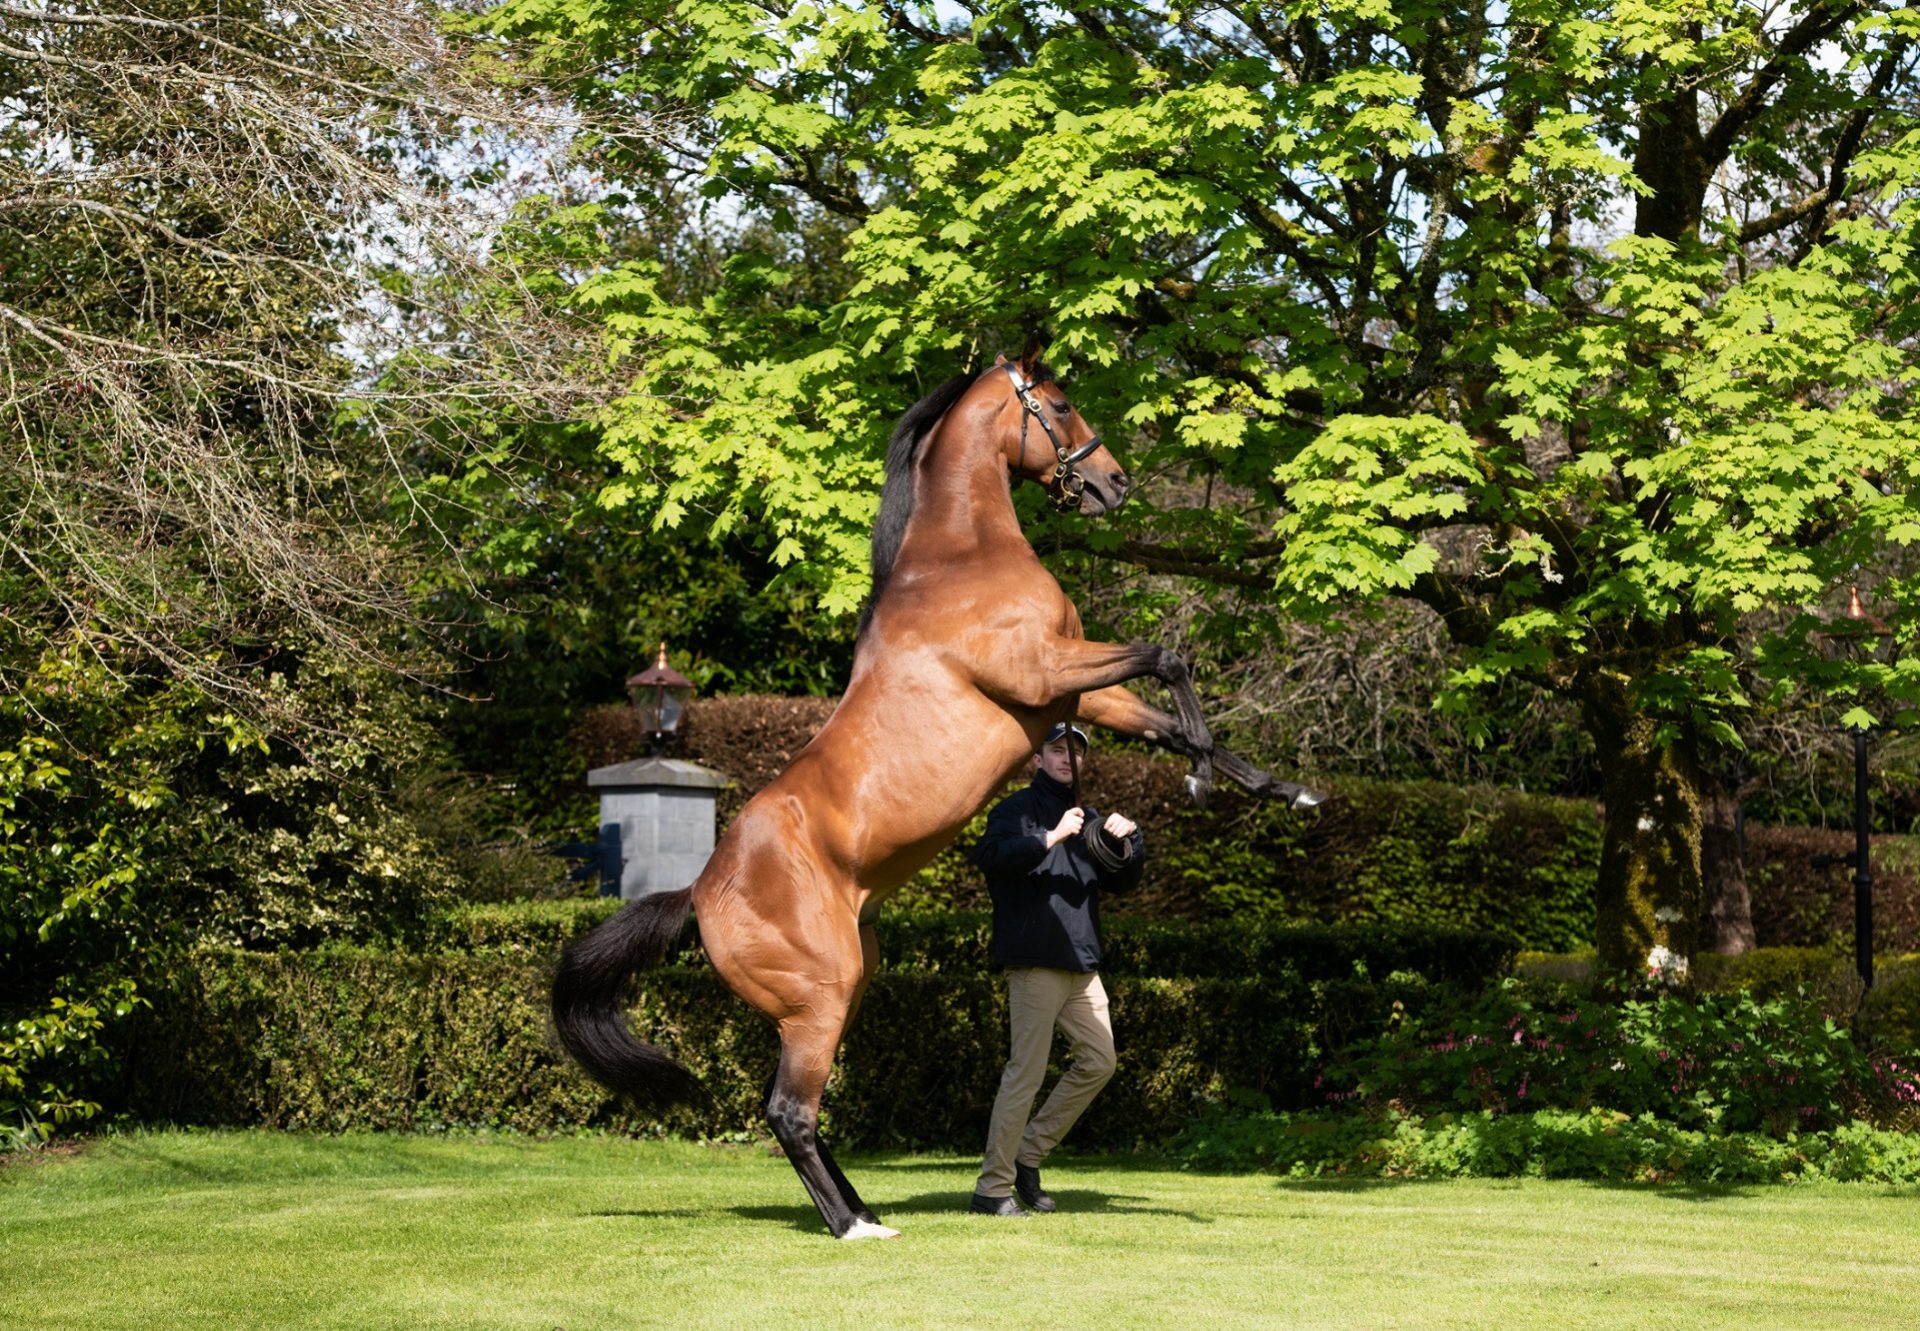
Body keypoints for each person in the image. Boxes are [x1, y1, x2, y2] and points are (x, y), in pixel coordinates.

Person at [969, 722, 1143, 1217]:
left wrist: (1129, 841)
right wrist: (1049, 837)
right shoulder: (1016, 811)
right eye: (1058, 749)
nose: (1069, 758)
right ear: (1038, 758)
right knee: (1025, 1074)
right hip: (1034, 963)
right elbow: (990, 858)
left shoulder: (1089, 818)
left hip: (1082, 965)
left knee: (1100, 1061)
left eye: (1077, 751)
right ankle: (992, 1190)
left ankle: (1027, 1155)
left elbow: (1123, 881)